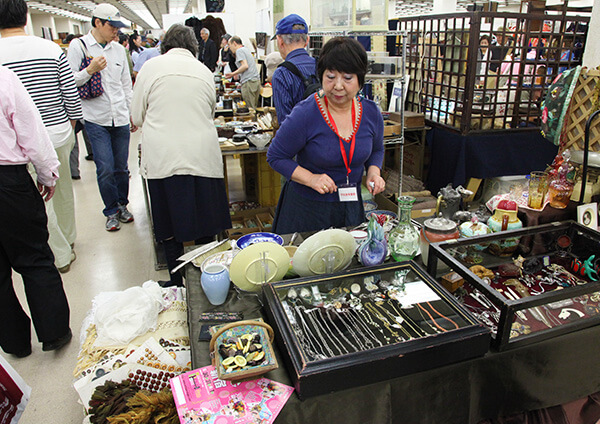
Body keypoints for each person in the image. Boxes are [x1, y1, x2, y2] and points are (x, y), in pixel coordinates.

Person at [131, 24, 231, 287]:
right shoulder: (204, 71)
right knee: (206, 223)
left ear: (165, 46)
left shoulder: (150, 68)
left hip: (163, 157)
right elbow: (210, 111)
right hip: (202, 155)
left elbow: (137, 116)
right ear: (194, 47)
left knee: (169, 226)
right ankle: (206, 281)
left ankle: (176, 284)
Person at [267, 37, 385, 234]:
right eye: (330, 77)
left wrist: (374, 172)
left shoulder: (371, 113)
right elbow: (275, 156)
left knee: (348, 252)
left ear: (360, 80)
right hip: (307, 210)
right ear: (321, 77)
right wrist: (311, 178)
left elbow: (377, 149)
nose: (338, 86)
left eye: (347, 78)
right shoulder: (306, 113)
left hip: (350, 206)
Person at [0, 0, 83, 273]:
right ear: (26, 17)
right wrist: (69, 127)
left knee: (39, 197)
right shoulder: (51, 49)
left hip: (17, 142)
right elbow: (70, 95)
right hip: (58, 131)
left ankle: (58, 252)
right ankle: (68, 240)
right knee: (63, 190)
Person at [0, 65, 72, 357]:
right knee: (34, 258)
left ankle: (14, 343)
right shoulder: (4, 78)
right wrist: (47, 173)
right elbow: (30, 129)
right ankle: (54, 332)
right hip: (7, 181)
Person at [66, 3, 136, 231]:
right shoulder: (79, 46)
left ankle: (123, 205)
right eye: (111, 26)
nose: (116, 31)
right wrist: (90, 70)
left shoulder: (119, 50)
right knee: (105, 168)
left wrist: (131, 112)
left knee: (121, 168)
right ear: (97, 22)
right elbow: (68, 81)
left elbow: (126, 85)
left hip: (120, 117)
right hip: (95, 118)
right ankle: (111, 211)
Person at [270, 13, 317, 124]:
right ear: (307, 40)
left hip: (299, 134)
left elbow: (285, 124)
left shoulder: (281, 74)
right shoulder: (321, 66)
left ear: (280, 41)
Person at [225, 36, 261, 109]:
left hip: (249, 82)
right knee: (253, 107)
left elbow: (245, 66)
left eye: (229, 45)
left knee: (250, 109)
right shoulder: (246, 49)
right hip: (255, 81)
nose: (229, 48)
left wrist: (233, 74)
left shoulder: (239, 51)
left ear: (234, 43)